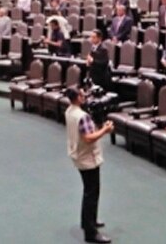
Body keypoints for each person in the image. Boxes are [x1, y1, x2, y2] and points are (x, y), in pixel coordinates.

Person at [65, 87, 114, 243]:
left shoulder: (69, 111)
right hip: (88, 158)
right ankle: (90, 233)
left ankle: (88, 221)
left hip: (77, 154)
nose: (85, 95)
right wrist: (105, 130)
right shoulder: (82, 116)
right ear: (78, 97)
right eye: (82, 94)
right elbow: (88, 138)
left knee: (89, 191)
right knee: (91, 194)